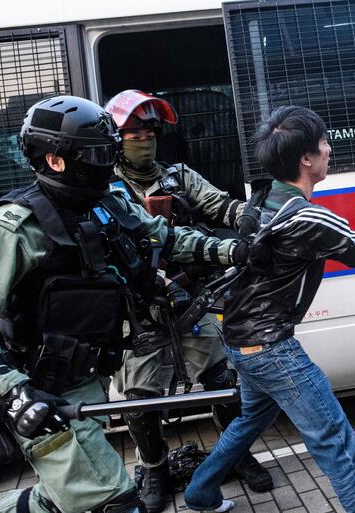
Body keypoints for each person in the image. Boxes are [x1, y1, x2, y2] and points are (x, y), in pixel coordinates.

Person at [0, 95, 247, 513]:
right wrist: (14, 395)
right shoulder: (13, 228)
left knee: (64, 498)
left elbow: (165, 238)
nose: (107, 163)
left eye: (109, 152)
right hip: (40, 393)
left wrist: (235, 251)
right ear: (57, 160)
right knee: (114, 502)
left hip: (86, 381)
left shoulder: (106, 205)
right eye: (97, 154)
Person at [183, 105, 355, 513]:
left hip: (239, 338)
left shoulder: (260, 199)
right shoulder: (308, 216)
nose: (329, 149)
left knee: (250, 421)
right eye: (323, 143)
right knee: (336, 442)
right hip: (270, 348)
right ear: (306, 159)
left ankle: (200, 493)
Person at [103, 90, 273, 512]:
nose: (143, 140)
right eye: (132, 133)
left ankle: (235, 456)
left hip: (191, 302)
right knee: (140, 403)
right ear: (115, 139)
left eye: (149, 132)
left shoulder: (179, 177)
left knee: (222, 383)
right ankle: (155, 468)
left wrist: (254, 217)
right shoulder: (103, 187)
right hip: (136, 312)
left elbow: (221, 206)